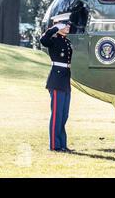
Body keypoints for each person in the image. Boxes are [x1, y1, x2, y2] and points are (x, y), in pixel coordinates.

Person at [40, 13, 73, 153]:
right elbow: (43, 39)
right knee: (57, 114)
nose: (68, 26)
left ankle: (62, 144)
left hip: (65, 79)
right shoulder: (53, 39)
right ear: (58, 24)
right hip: (56, 79)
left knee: (64, 114)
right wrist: (54, 28)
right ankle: (54, 145)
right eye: (65, 24)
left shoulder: (66, 41)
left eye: (68, 24)